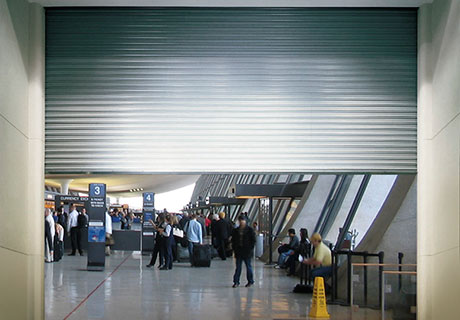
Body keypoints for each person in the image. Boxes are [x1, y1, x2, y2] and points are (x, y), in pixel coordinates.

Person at [231, 215, 256, 288]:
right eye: (240, 221)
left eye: (243, 220)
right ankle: (236, 282)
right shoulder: (236, 230)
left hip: (247, 251)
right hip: (239, 251)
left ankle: (250, 281)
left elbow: (253, 240)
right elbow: (233, 240)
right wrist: (234, 248)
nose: (241, 222)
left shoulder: (250, 230)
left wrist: (250, 248)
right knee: (238, 267)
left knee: (248, 267)